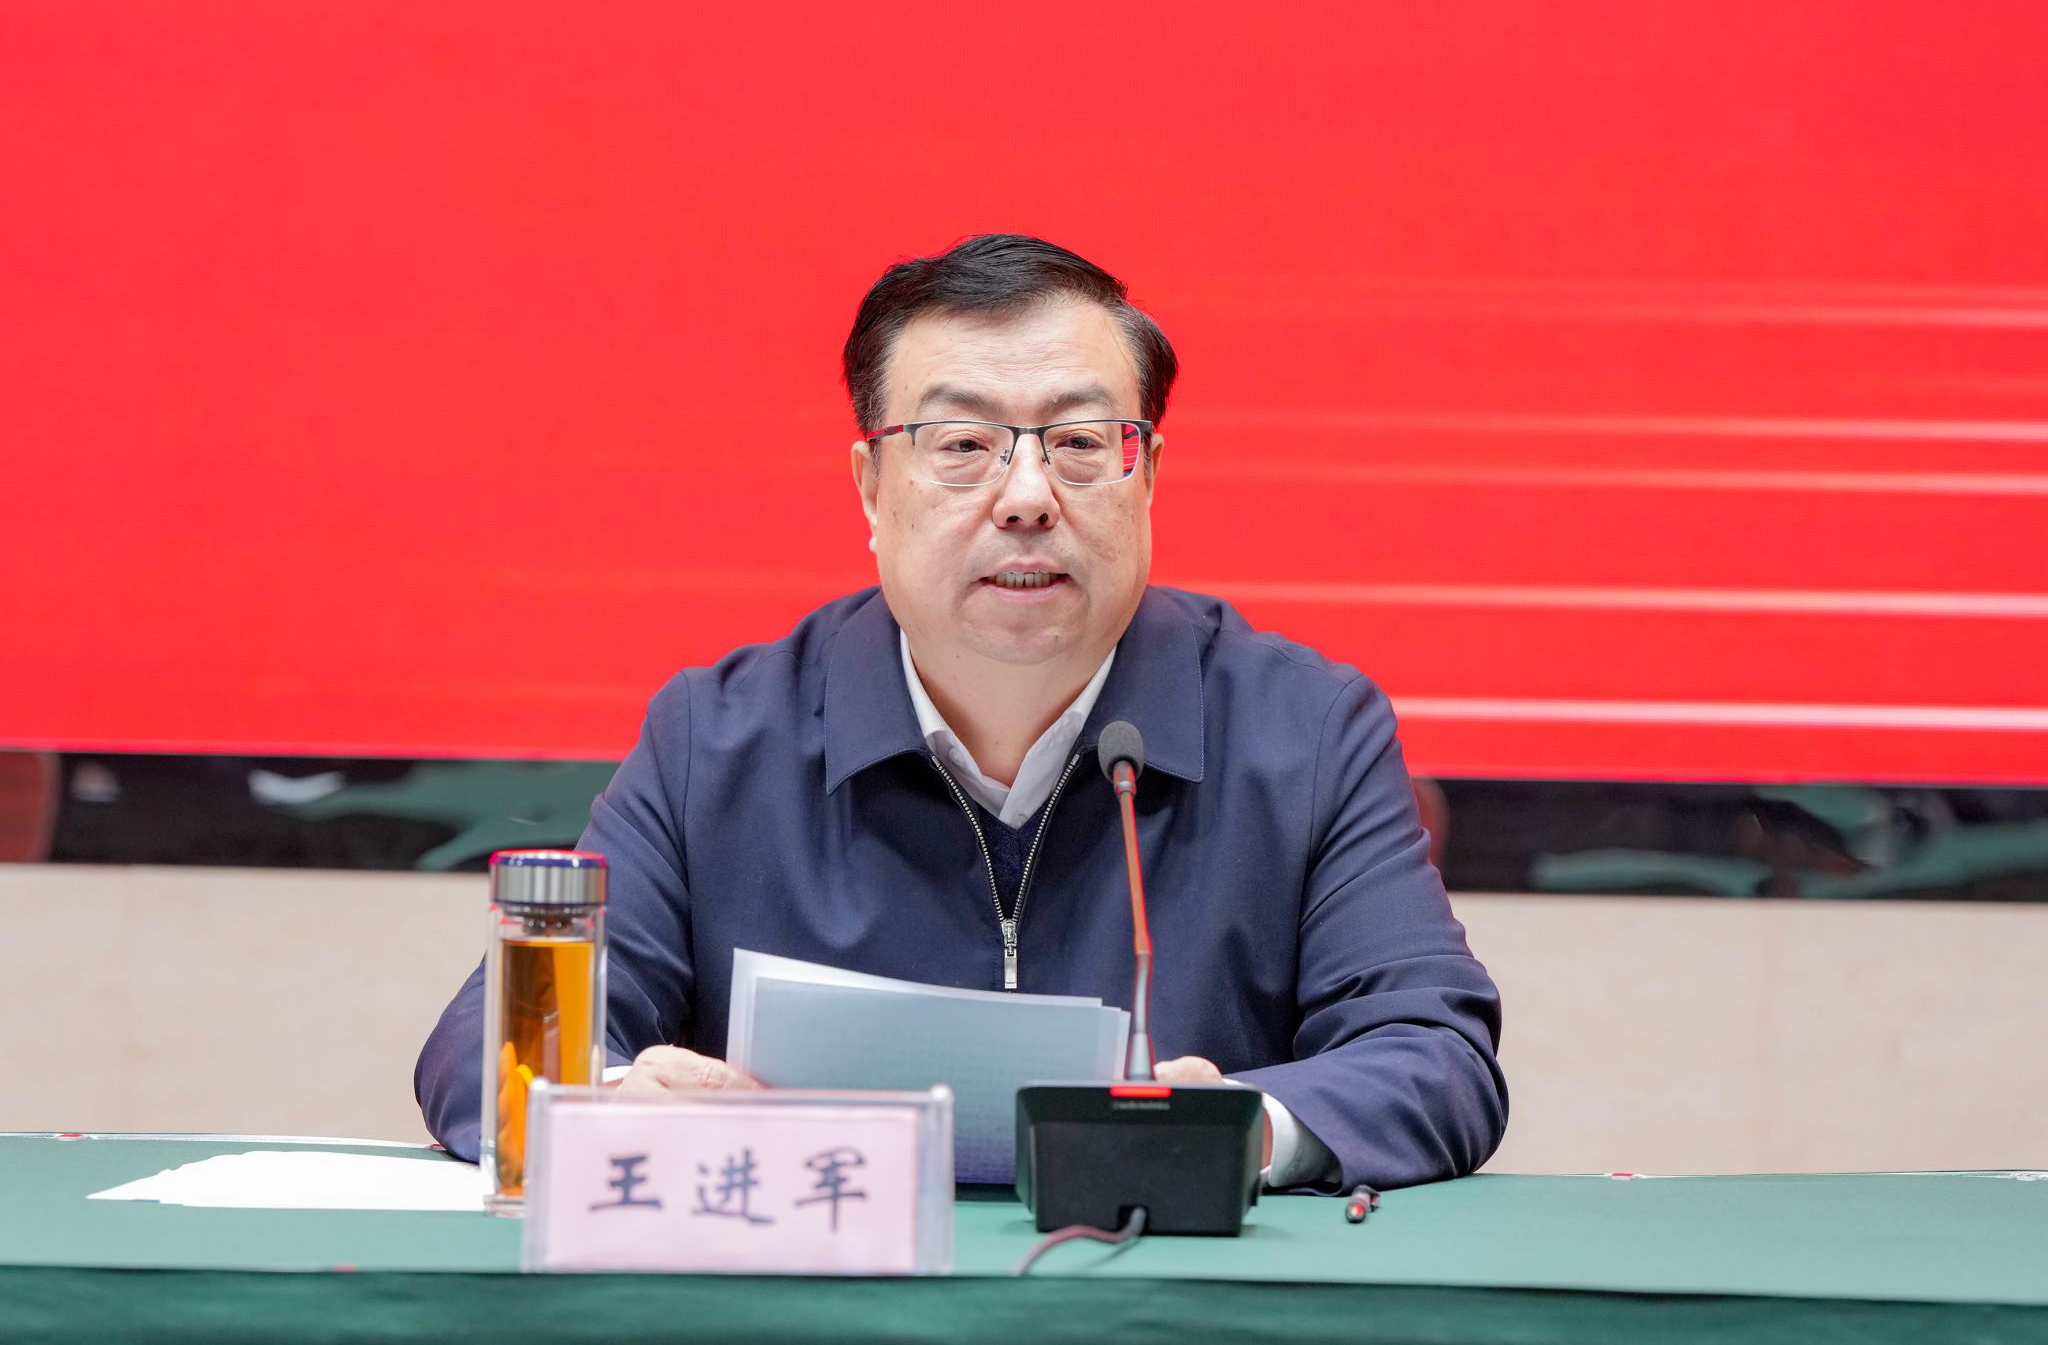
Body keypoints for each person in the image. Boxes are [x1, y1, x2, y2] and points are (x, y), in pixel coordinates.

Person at [417, 234, 1507, 1191]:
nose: (1026, 496)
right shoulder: (720, 737)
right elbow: (494, 1043)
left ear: (1147, 475)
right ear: (870, 486)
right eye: (961, 445)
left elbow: (1432, 1051)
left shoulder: (1304, 731)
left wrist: (1239, 1130)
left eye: (1080, 442)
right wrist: (612, 1102)